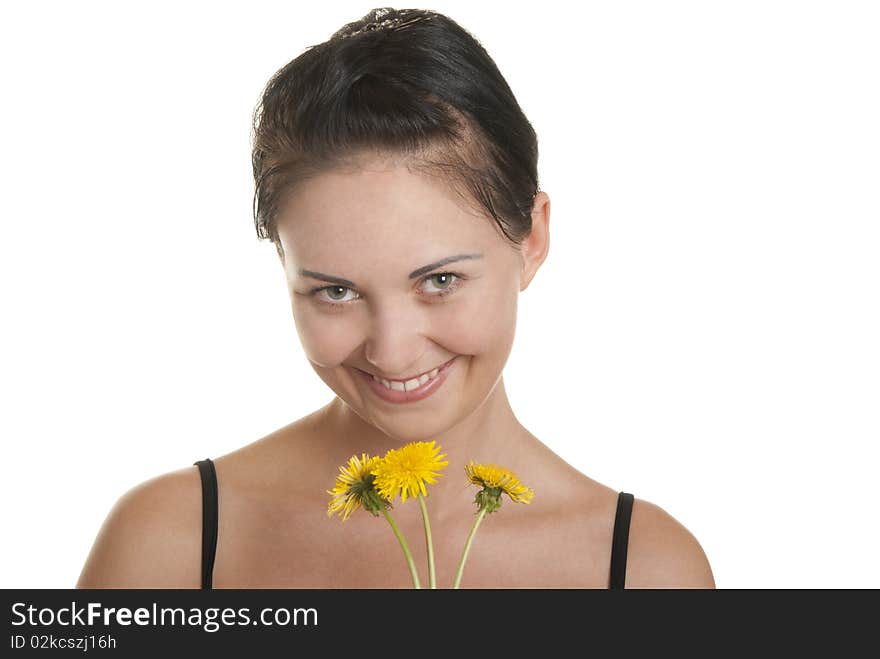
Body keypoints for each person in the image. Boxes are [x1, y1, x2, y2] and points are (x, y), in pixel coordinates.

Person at [77, 7, 715, 589]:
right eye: (336, 291)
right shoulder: (170, 546)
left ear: (532, 239)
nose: (390, 350)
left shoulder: (644, 570)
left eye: (439, 281)